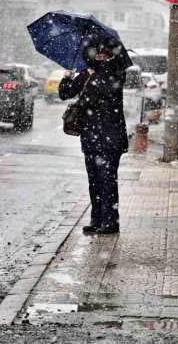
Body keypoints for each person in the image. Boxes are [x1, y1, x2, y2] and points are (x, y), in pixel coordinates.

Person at [59, 37, 128, 234]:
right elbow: (65, 94)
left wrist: (91, 77)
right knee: (94, 181)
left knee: (107, 180)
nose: (99, 57)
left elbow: (100, 94)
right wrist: (67, 77)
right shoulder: (87, 74)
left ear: (110, 56)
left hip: (110, 138)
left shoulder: (116, 74)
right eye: (96, 54)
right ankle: (96, 219)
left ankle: (110, 221)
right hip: (90, 138)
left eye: (103, 54)